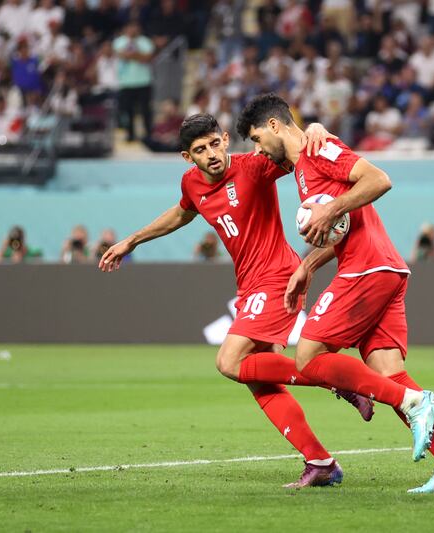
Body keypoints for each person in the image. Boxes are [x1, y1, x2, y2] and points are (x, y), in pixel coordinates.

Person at [100, 114, 376, 488]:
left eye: (215, 143)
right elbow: (182, 213)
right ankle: (320, 462)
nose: (211, 154)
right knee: (260, 381)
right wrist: (131, 241)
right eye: (200, 150)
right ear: (187, 157)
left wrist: (313, 129)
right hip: (249, 286)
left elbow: (299, 151)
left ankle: (341, 382)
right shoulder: (192, 183)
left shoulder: (256, 167)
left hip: (277, 277)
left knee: (229, 361)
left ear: (226, 139)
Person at [237, 92, 434, 493]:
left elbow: (379, 179)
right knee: (389, 372)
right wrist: (308, 264)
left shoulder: (319, 148)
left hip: (366, 267)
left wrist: (329, 209)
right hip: (386, 267)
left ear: (275, 125)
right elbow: (343, 226)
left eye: (258, 139)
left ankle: (414, 402)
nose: (259, 150)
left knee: (310, 357)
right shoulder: (302, 167)